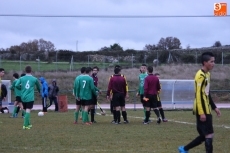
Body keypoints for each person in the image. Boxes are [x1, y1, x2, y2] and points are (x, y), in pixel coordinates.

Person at [178, 52, 221, 153]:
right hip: (202, 109)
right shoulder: (200, 75)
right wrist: (201, 112)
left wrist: (214, 107)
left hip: (207, 108)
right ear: (204, 62)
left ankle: (184, 149)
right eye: (211, 61)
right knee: (209, 134)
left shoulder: (208, 74)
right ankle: (184, 149)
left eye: (214, 61)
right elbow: (198, 95)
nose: (213, 63)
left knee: (205, 135)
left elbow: (207, 93)